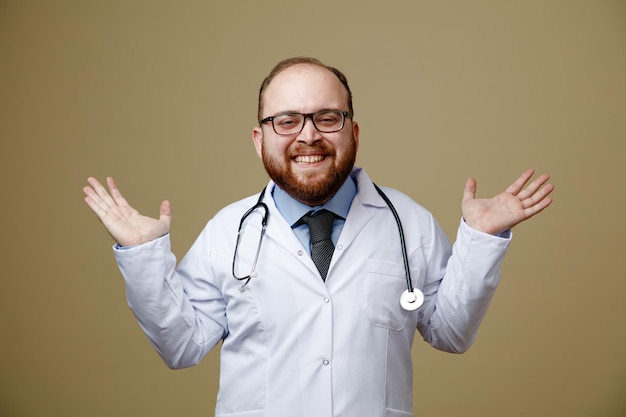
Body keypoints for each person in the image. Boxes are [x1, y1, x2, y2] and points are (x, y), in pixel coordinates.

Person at [83, 57, 554, 417]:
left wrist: (481, 239)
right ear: (258, 138)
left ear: (354, 131)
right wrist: (142, 255)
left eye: (328, 118)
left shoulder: (408, 222)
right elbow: (181, 346)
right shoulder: (228, 232)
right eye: (286, 120)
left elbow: (450, 333)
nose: (309, 136)